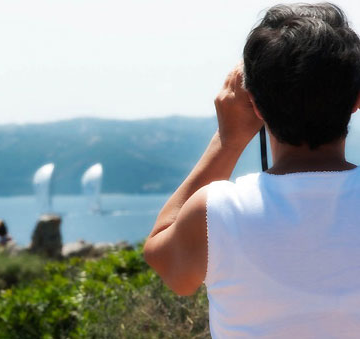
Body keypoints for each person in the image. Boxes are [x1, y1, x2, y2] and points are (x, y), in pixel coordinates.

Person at [144, 3, 360, 338]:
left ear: (254, 104)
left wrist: (227, 140)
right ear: (356, 99)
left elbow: (166, 261)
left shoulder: (216, 211)